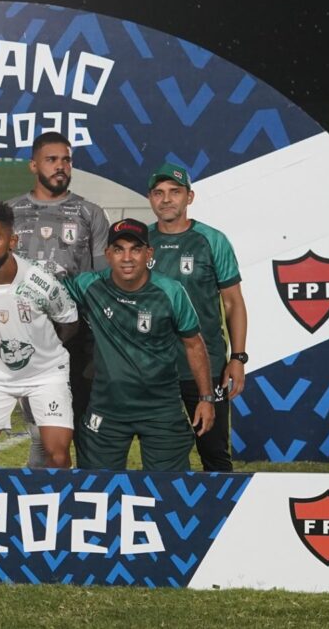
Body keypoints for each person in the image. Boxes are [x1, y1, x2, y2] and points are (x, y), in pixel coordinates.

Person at [63, 218, 215, 471]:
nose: (127, 258)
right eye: (119, 249)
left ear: (149, 254)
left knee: (168, 488)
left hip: (161, 408)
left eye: (135, 249)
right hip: (107, 408)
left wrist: (206, 398)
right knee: (97, 486)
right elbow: (46, 293)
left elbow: (194, 345)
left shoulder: (171, 291)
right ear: (108, 254)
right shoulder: (89, 285)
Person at [7, 131, 109, 467]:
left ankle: (84, 491)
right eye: (51, 160)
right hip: (27, 335)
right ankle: (43, 494)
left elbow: (102, 280)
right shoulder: (11, 212)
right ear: (33, 165)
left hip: (78, 337)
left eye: (66, 160)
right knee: (40, 431)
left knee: (81, 423)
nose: (60, 166)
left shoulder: (90, 213)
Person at [0, 202, 79, 467]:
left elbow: (69, 322)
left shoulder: (41, 282)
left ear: (12, 242)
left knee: (57, 456)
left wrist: (40, 349)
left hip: (46, 374)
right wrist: (1, 340)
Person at [147, 163, 248, 472]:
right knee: (161, 458)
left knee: (215, 455)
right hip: (154, 369)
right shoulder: (139, 243)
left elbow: (233, 302)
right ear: (150, 198)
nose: (166, 199)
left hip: (206, 365)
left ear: (189, 197)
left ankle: (222, 506)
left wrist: (238, 358)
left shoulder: (212, 240)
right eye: (158, 193)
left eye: (175, 192)